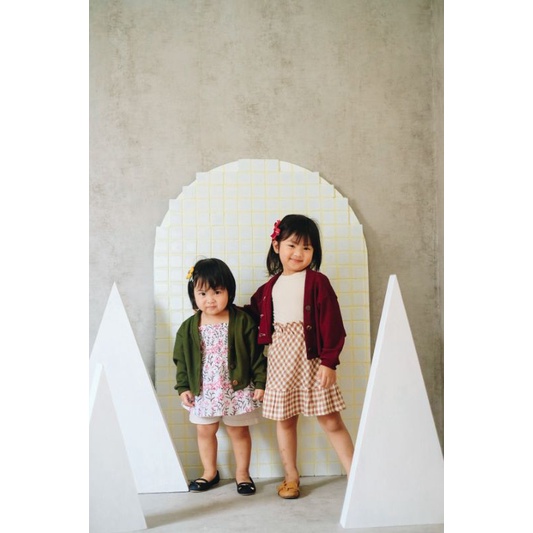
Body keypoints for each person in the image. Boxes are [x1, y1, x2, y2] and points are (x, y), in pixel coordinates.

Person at [247, 214, 354, 499]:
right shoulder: (268, 289)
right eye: (292, 245)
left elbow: (333, 324)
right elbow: (251, 315)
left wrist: (329, 361)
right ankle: (291, 477)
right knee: (285, 420)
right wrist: (220, 310)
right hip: (281, 360)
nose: (299, 253)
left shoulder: (318, 282)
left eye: (307, 248)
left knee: (330, 420)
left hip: (313, 359)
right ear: (276, 245)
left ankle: (356, 474)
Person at [173, 258, 266, 496]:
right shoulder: (188, 327)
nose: (210, 299)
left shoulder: (242, 321)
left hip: (237, 388)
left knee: (239, 431)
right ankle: (209, 472)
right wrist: (183, 386)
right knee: (205, 431)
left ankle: (242, 474)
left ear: (229, 291)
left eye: (217, 292)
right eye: (202, 293)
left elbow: (256, 355)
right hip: (204, 390)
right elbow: (181, 360)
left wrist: (260, 382)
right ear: (193, 295)